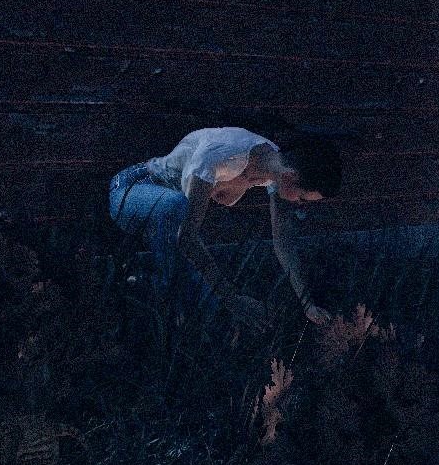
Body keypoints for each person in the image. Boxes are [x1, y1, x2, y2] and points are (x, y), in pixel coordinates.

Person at [107, 126, 344, 330]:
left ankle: (153, 291)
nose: (298, 204)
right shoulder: (222, 157)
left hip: (167, 222)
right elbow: (186, 237)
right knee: (176, 211)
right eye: (302, 198)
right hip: (132, 190)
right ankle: (144, 290)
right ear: (290, 177)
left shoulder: (273, 164)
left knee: (209, 306)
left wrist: (307, 305)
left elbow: (283, 241)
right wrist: (233, 299)